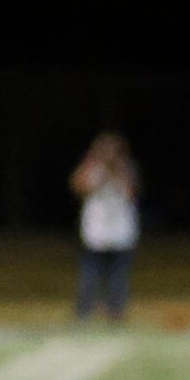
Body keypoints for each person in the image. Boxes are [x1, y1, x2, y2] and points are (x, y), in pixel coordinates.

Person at [71, 130, 139, 321]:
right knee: (89, 275)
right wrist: (95, 168)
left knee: (118, 277)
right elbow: (78, 187)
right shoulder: (91, 168)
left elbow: (131, 193)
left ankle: (116, 313)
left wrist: (116, 170)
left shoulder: (126, 168)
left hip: (120, 232)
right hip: (96, 232)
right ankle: (83, 313)